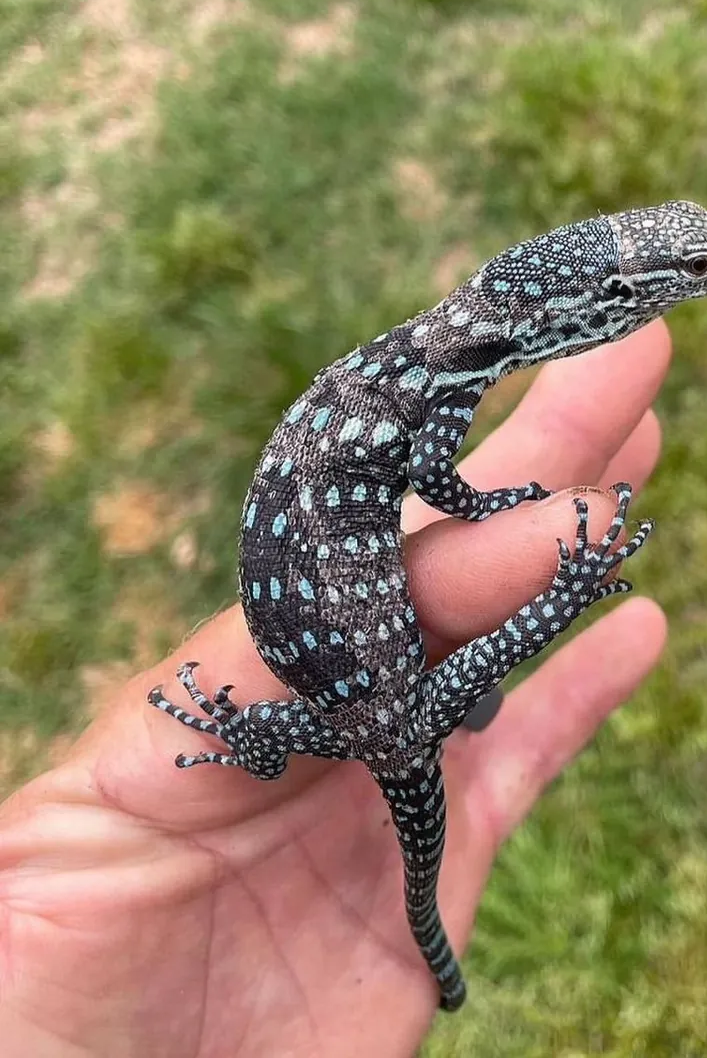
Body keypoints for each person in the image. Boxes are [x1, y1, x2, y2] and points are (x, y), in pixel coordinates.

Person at [0, 321, 671, 1057]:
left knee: (427, 715)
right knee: (465, 677)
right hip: (388, 717)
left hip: (347, 715)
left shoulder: (421, 356)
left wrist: (250, 741)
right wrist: (561, 580)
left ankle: (548, 609)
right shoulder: (441, 377)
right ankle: (570, 587)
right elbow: (441, 487)